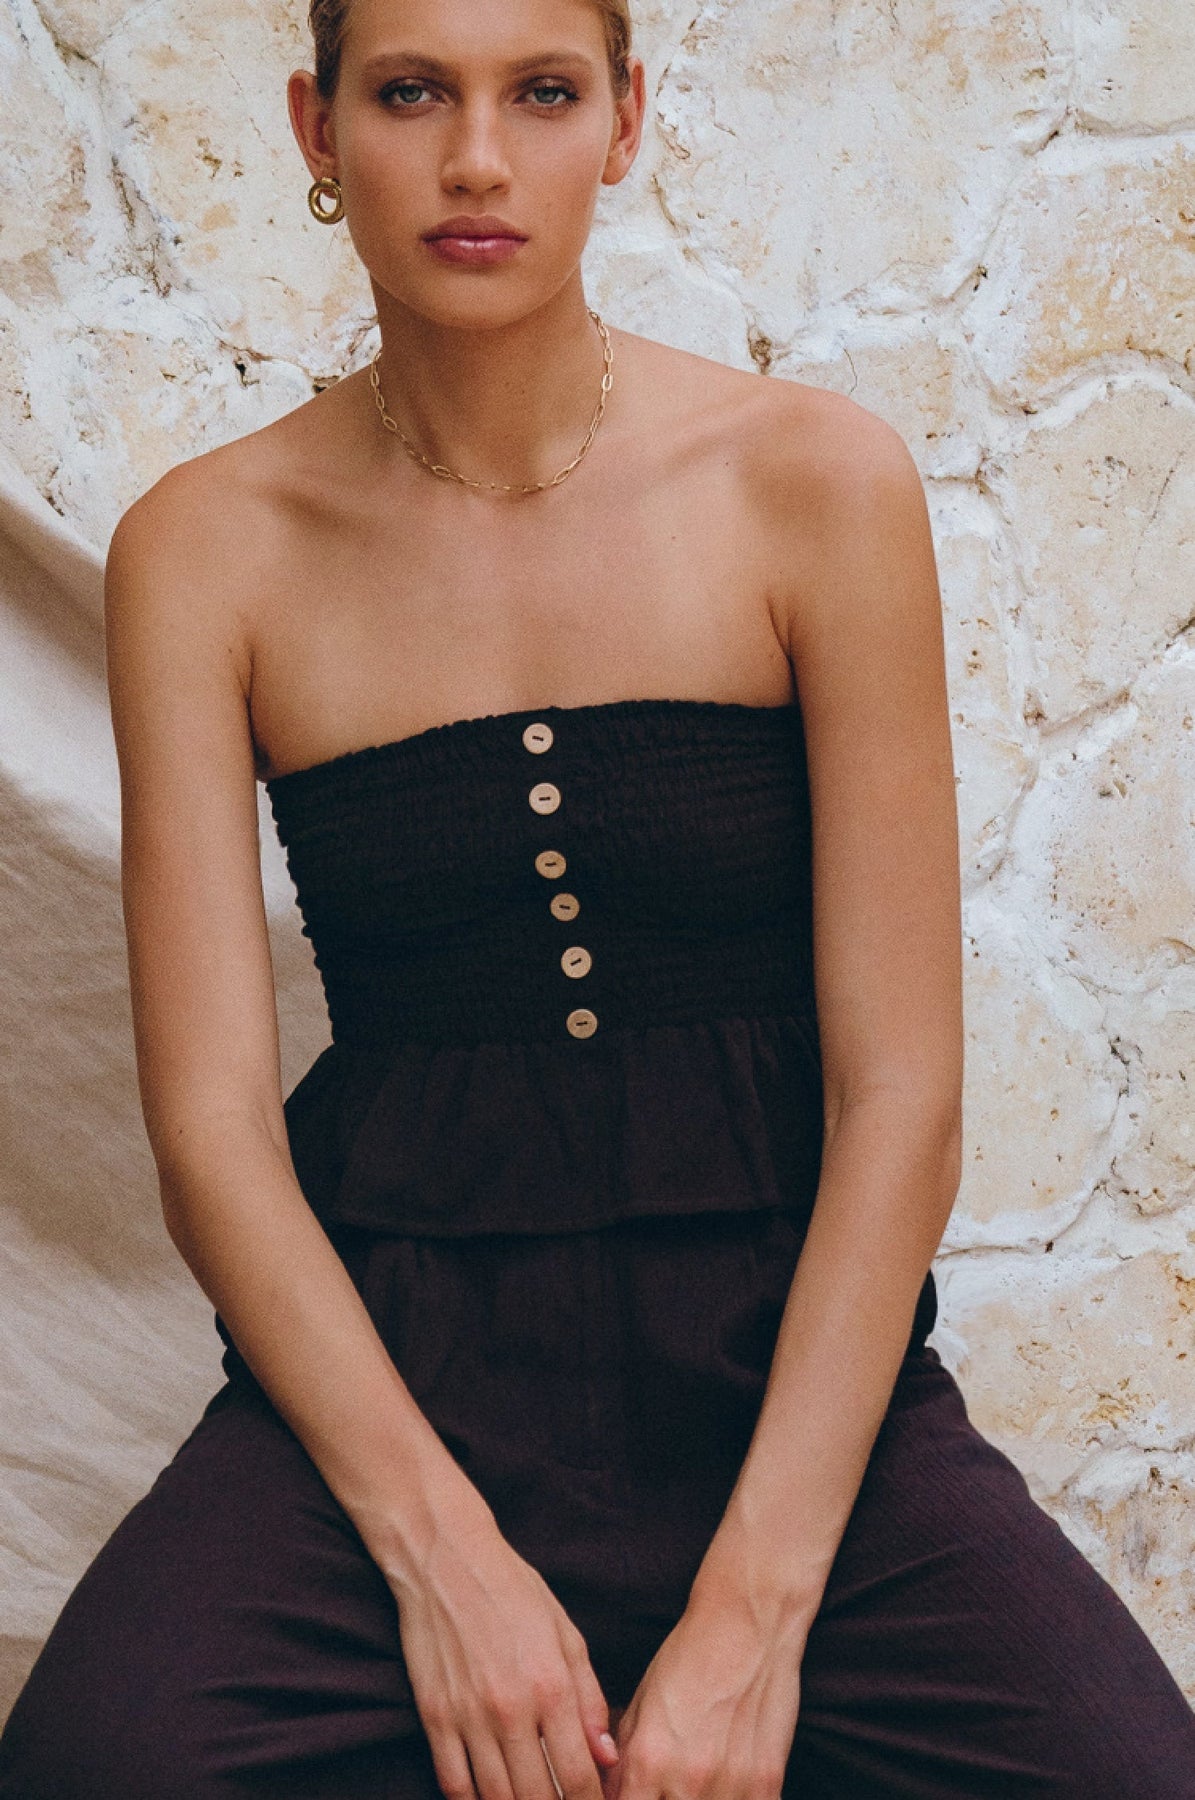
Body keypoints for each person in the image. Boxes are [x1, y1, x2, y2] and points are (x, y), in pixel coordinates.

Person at [2, 0, 1194, 1794]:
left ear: (627, 122)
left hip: (791, 1392)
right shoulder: (206, 547)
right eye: (413, 92)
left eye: (543, 93)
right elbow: (212, 1131)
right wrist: (442, 1563)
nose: (477, 159)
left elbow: (903, 1095)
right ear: (317, 129)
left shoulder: (817, 485)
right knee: (97, 1763)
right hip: (393, 1391)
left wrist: (758, 1610)